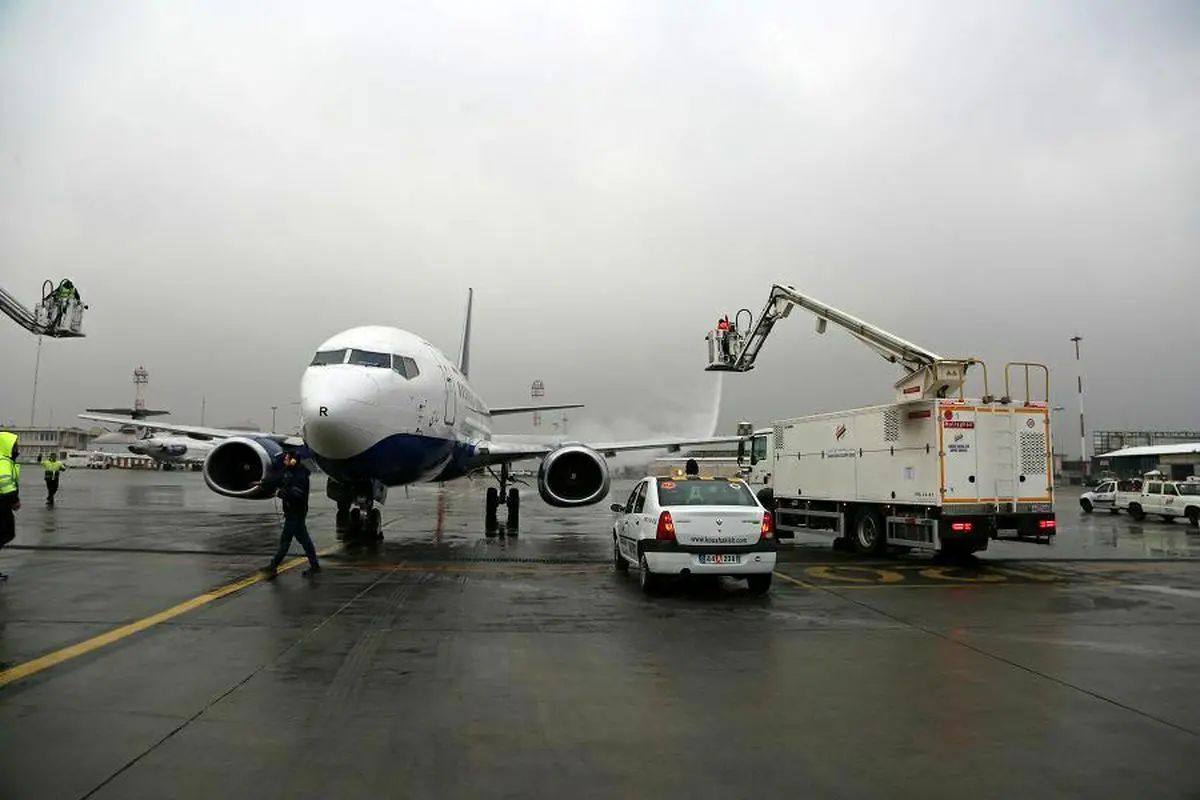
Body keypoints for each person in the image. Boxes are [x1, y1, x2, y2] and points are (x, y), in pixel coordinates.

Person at [262, 453, 320, 578]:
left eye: (287, 459)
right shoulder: (290, 472)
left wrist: (281, 493)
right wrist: (261, 483)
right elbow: (277, 480)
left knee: (285, 541)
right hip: (293, 513)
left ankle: (273, 566)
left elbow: (296, 494)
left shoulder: (300, 475)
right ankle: (315, 566)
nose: (284, 461)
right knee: (304, 541)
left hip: (295, 513)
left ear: (293, 461)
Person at [0, 432, 22, 582]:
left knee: (6, 533)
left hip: (3, 502)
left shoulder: (6, 461)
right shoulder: (3, 461)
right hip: (2, 502)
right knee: (5, 533)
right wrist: (14, 500)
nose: (17, 448)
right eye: (15, 445)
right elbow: (4, 482)